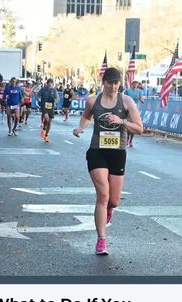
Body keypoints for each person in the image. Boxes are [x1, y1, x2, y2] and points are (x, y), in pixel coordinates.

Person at [73, 67, 143, 255]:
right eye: (110, 82)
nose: (113, 86)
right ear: (103, 83)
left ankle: (109, 209)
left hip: (117, 153)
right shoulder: (93, 100)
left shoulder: (126, 101)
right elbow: (87, 116)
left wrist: (122, 122)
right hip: (97, 151)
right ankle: (101, 240)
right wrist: (81, 128)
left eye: (116, 83)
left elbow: (140, 128)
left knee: (114, 200)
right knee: (102, 195)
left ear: (120, 84)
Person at [37, 78, 59, 142]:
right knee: (46, 119)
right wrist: (39, 100)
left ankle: (46, 135)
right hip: (44, 106)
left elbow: (57, 98)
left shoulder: (54, 90)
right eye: (49, 83)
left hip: (51, 107)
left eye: (51, 83)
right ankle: (44, 128)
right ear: (47, 83)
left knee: (49, 122)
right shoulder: (43, 89)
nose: (50, 84)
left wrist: (55, 100)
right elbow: (38, 95)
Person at [124, 81, 144, 147]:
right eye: (134, 84)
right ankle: (127, 139)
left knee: (134, 125)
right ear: (132, 84)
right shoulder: (127, 91)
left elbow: (142, 101)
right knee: (127, 124)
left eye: (137, 84)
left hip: (136, 110)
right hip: (128, 110)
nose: (135, 85)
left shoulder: (140, 92)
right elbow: (124, 98)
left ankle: (131, 141)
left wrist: (139, 98)